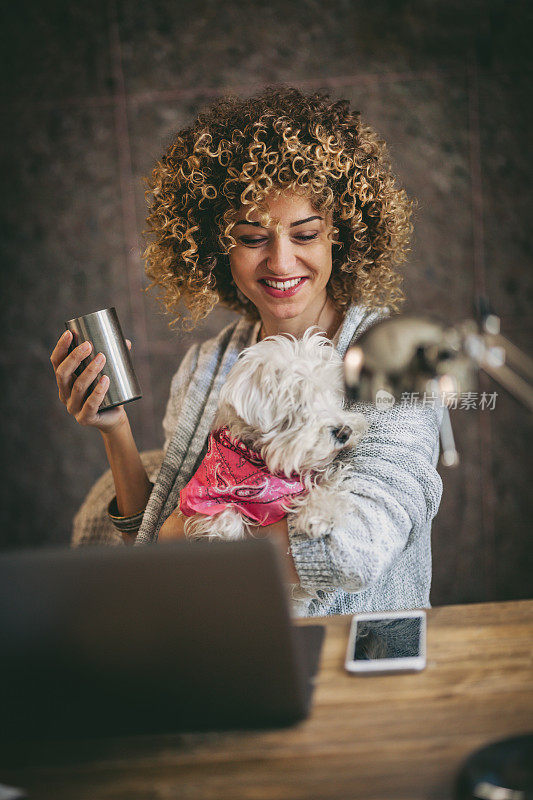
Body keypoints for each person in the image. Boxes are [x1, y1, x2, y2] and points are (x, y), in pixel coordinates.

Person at [50, 86, 443, 617]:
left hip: (360, 656)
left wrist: (182, 545)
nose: (281, 262)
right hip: (231, 652)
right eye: (253, 237)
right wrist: (115, 428)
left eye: (305, 233)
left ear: (340, 237)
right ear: (218, 248)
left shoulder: (399, 360)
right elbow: (151, 541)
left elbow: (355, 548)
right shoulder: (204, 368)